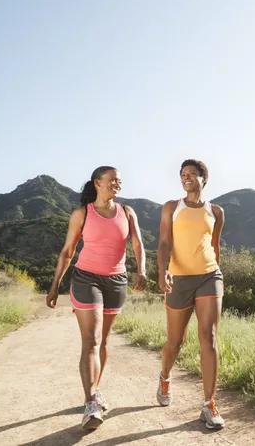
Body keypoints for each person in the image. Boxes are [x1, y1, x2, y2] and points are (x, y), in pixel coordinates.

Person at [46, 166, 147, 430]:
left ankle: (95, 389)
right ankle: (90, 403)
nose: (117, 184)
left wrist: (142, 270)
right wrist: (55, 285)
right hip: (86, 278)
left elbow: (137, 243)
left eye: (119, 181)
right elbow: (68, 251)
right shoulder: (82, 214)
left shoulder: (127, 212)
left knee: (103, 341)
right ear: (97, 183)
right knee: (91, 340)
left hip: (117, 280)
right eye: (112, 180)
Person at [156, 159, 226, 429]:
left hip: (209, 276)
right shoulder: (171, 207)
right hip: (179, 278)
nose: (186, 177)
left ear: (203, 178)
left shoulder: (216, 211)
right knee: (175, 341)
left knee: (209, 337)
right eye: (182, 174)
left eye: (191, 174)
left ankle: (209, 404)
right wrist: (162, 271)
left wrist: (218, 273)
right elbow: (164, 242)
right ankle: (165, 377)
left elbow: (215, 246)